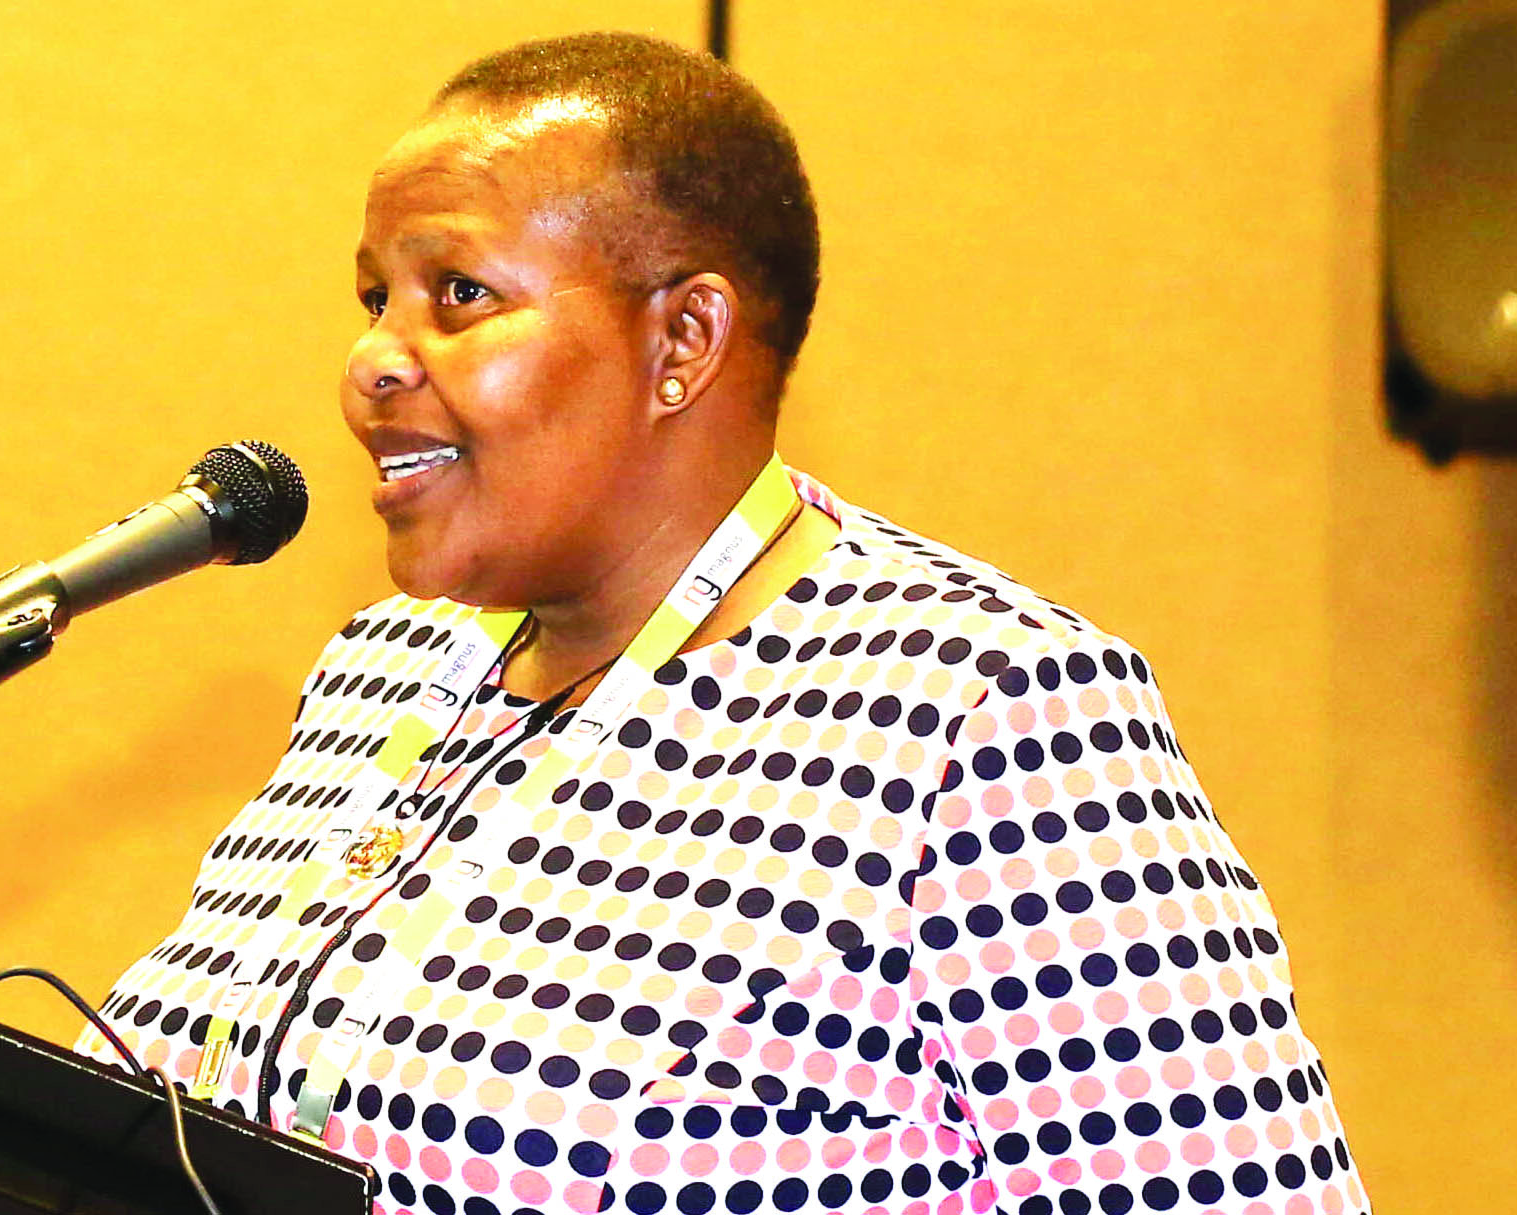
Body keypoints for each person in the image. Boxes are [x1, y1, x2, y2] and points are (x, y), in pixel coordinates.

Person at [81, 32, 1365, 1215]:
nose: (371, 361)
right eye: (375, 300)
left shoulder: (977, 710)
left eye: (457, 294)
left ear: (684, 339)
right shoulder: (385, 672)